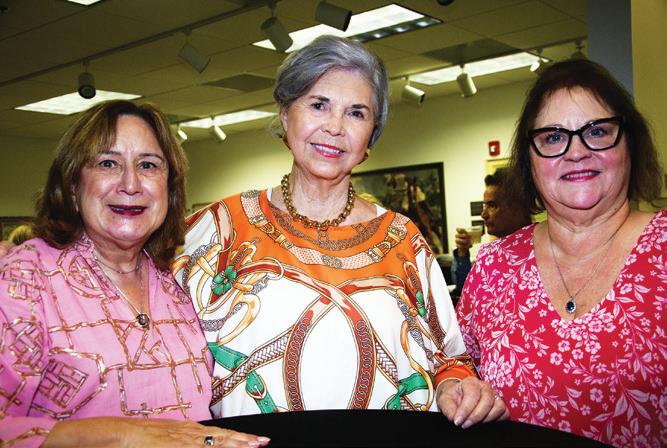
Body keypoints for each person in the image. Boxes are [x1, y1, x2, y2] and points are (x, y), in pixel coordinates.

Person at [172, 35, 507, 427]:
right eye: (318, 105)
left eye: (356, 113)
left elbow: (451, 359)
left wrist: (457, 386)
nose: (334, 127)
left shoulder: (404, 239)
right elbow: (162, 354)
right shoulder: (220, 230)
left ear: (371, 136)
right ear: (285, 115)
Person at [0, 100, 269, 448]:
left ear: (169, 190)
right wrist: (125, 434)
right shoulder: (25, 279)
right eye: (107, 163)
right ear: (72, 186)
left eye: (148, 165)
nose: (130, 183)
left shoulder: (176, 282)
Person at [456, 59, 665, 447]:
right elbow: (457, 370)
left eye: (598, 131)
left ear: (630, 143)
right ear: (529, 160)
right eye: (553, 137)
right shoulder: (493, 267)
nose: (576, 152)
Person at [450, 171, 532, 301]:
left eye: (492, 206)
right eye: (485, 206)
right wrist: (462, 252)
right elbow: (465, 289)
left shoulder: (540, 251)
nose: (483, 215)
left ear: (518, 207)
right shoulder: (490, 254)